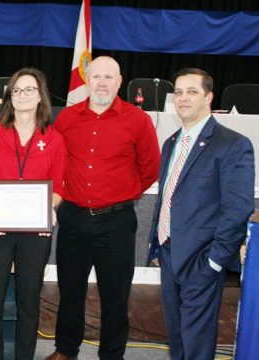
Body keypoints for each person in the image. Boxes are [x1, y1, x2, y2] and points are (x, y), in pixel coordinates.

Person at [46, 56, 161, 360]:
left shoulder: (138, 120)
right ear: (87, 79)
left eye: (109, 77)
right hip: (72, 219)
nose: (102, 83)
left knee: (115, 295)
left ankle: (112, 355)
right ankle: (66, 350)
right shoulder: (67, 119)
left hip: (117, 222)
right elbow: (55, 164)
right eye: (96, 76)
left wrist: (122, 192)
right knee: (70, 291)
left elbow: (150, 168)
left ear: (120, 82)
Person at [148, 68, 255, 360]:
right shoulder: (172, 142)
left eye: (192, 92)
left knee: (196, 344)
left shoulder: (233, 144)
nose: (183, 98)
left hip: (202, 261)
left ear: (209, 97)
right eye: (179, 92)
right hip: (169, 256)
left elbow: (238, 208)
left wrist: (215, 262)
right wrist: (158, 246)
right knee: (178, 339)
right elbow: (168, 197)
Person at [0, 67, 66, 359]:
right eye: (17, 90)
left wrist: (47, 210)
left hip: (34, 234)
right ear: (9, 97)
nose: (22, 96)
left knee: (28, 303)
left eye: (29, 90)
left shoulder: (54, 139)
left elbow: (59, 189)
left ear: (41, 97)